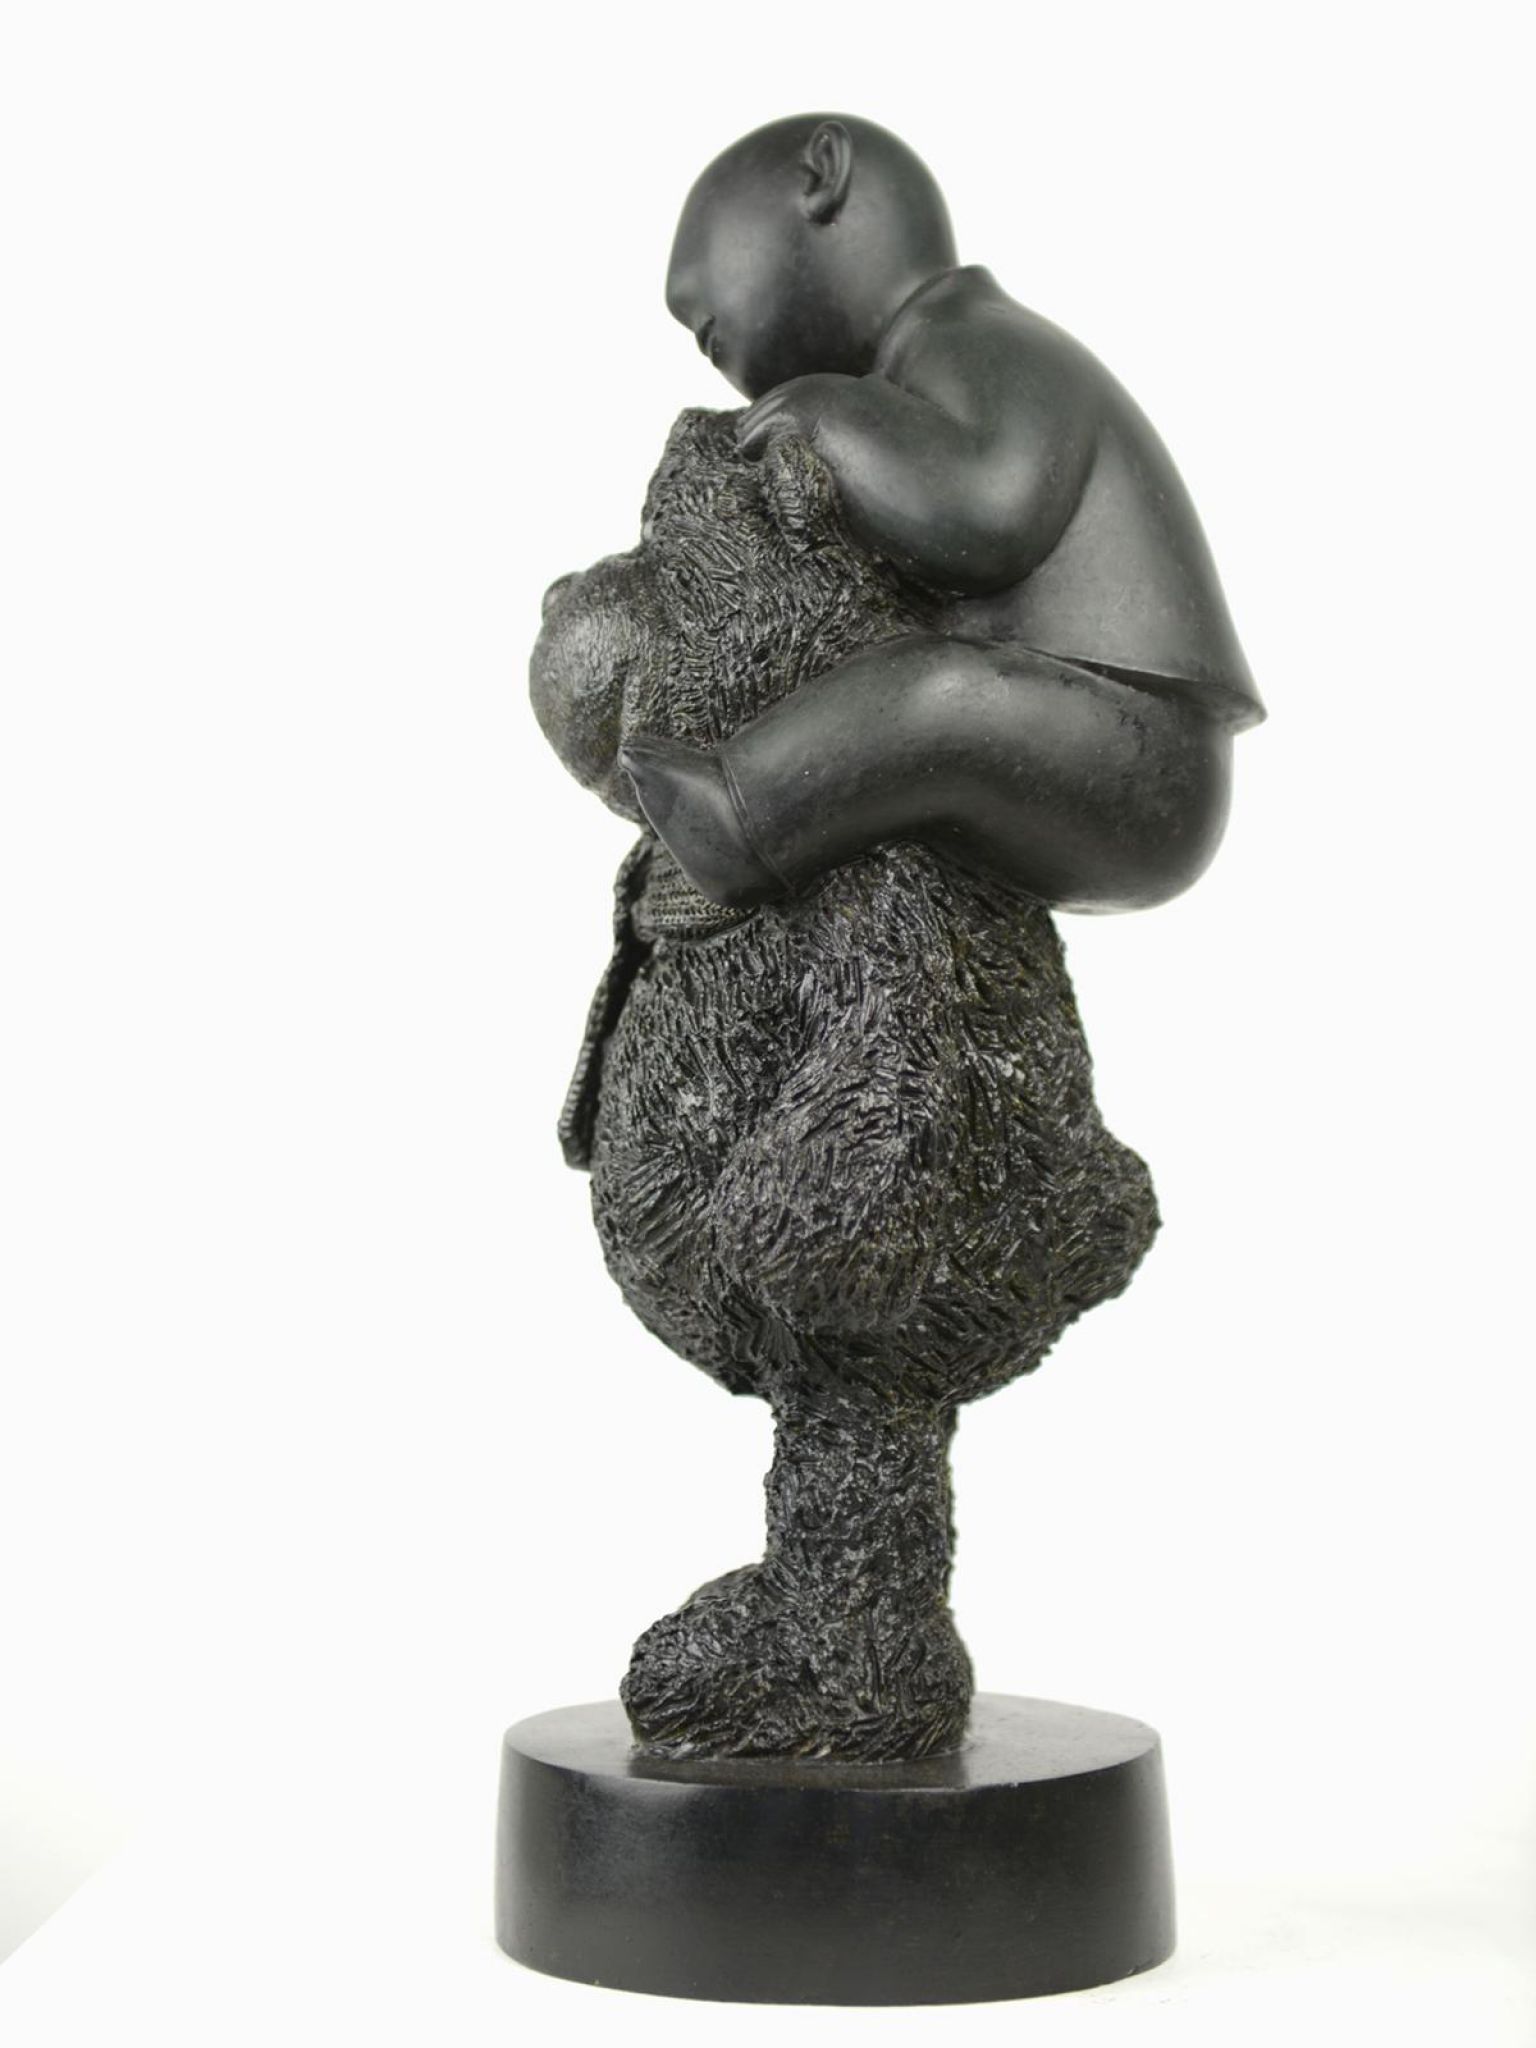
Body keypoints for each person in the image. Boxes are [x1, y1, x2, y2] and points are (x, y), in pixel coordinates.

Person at [622, 113, 1264, 913]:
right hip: (1086, 730)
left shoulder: (983, 342)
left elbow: (985, 519)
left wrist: (833, 419)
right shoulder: (927, 360)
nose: (701, 335)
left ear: (821, 179)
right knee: (926, 688)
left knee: (938, 693)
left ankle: (743, 816)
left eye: (702, 295)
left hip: (1147, 754)